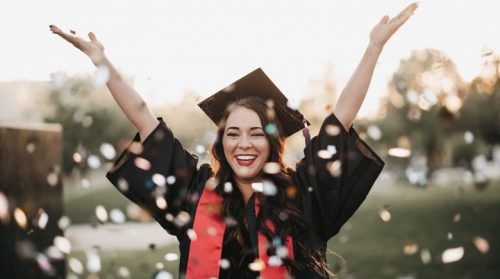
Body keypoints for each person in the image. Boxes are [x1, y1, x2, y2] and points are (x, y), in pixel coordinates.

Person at [50, 3, 417, 278]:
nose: (245, 144)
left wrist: (374, 48)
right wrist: (103, 64)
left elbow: (340, 121)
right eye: (234, 133)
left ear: (272, 143)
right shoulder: (194, 195)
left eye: (257, 133)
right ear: (221, 141)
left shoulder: (303, 196)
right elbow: (145, 118)